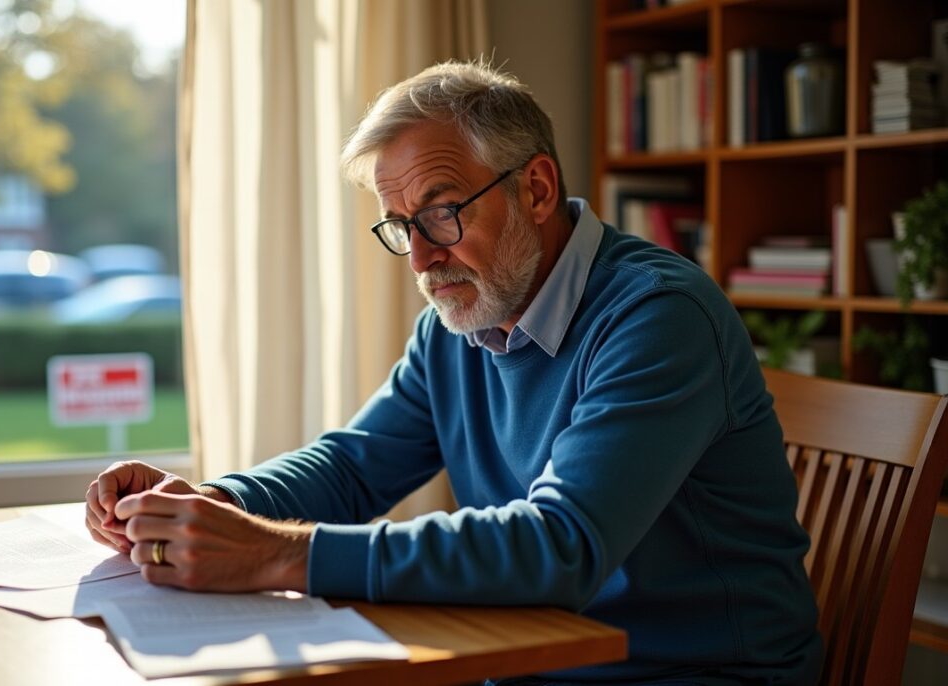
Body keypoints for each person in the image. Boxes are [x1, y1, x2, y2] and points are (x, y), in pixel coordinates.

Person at [85, 60, 822, 684]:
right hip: (536, 658)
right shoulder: (462, 321)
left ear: (534, 189)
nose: (421, 258)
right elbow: (351, 470)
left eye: (441, 214)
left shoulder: (658, 318)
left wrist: (276, 554)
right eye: (401, 225)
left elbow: (559, 546)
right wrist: (207, 506)